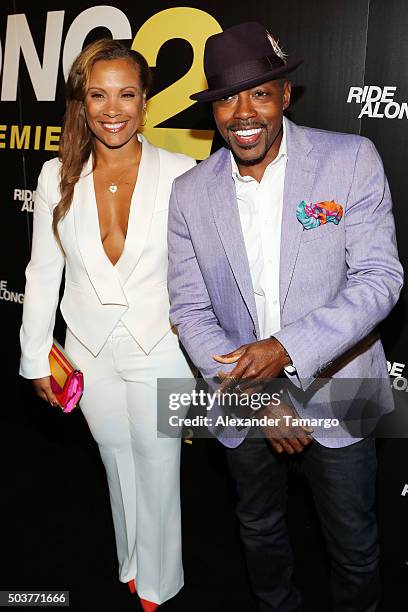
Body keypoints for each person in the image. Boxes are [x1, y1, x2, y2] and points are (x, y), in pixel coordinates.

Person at [167, 21, 404, 612]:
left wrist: (285, 351)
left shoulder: (349, 160)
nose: (242, 112)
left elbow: (380, 280)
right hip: (242, 397)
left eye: (259, 93)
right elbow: (190, 309)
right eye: (225, 98)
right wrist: (259, 393)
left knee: (354, 546)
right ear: (212, 109)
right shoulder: (189, 192)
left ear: (285, 96)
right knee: (260, 530)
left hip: (341, 390)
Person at [19, 38, 196, 611]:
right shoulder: (56, 176)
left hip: (161, 344)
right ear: (82, 101)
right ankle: (132, 562)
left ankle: (159, 584)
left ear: (146, 101)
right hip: (89, 351)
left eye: (126, 94)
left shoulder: (185, 172)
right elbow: (43, 272)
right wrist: (35, 357)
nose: (112, 108)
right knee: (116, 459)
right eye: (98, 94)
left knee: (160, 463)